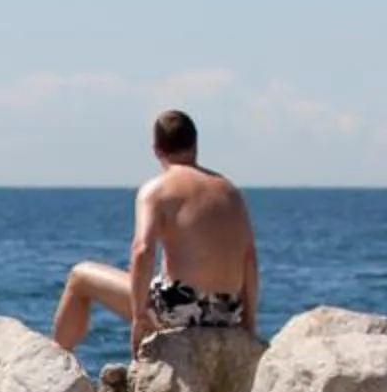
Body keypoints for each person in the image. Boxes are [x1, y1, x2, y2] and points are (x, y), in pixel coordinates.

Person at [51, 109, 260, 353]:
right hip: (227, 312)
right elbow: (249, 258)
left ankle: (59, 358)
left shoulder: (156, 190)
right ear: (195, 145)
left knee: (80, 276)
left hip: (181, 310)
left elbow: (143, 250)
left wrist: (139, 317)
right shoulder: (230, 191)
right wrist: (249, 321)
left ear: (157, 150)